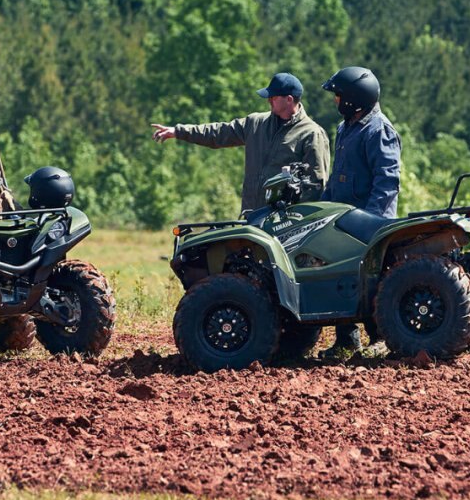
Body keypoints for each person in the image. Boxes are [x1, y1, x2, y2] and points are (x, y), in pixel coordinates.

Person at [151, 72, 330, 216]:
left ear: (289, 99)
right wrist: (179, 131)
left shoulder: (312, 134)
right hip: (251, 217)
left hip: (285, 223)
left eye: (273, 97)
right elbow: (218, 133)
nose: (269, 101)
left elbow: (315, 186)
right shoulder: (255, 123)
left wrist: (298, 222)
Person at [320, 65, 402, 356]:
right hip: (342, 217)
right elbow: (337, 175)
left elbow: (387, 180)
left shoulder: (379, 130)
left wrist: (371, 222)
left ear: (355, 98)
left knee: (373, 278)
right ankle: (346, 340)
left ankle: (380, 338)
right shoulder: (346, 128)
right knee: (342, 273)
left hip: (370, 221)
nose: (335, 100)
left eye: (339, 96)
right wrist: (324, 206)